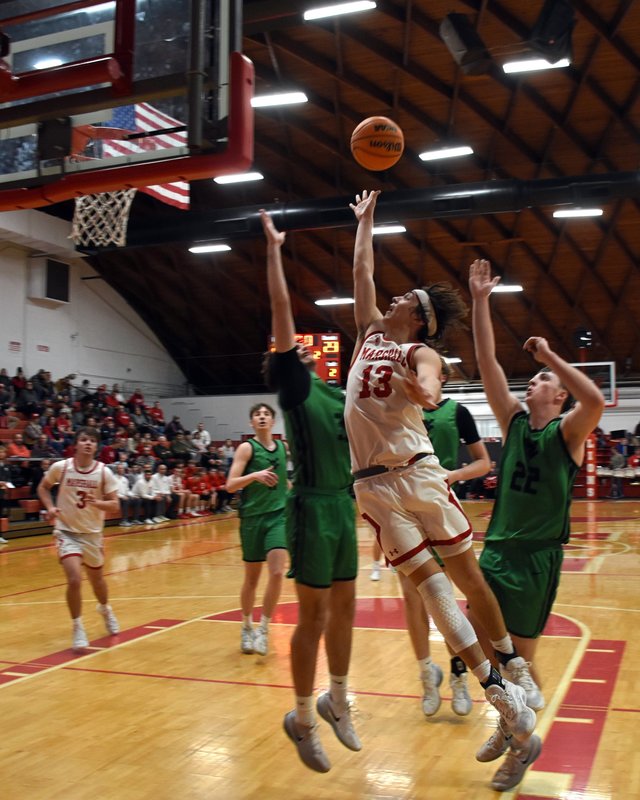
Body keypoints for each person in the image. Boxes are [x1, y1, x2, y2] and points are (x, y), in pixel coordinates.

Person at [345, 190, 540, 789]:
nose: (396, 296)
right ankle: (501, 695)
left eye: (408, 299)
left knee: (466, 578)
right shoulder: (370, 332)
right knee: (433, 595)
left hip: (419, 474)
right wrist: (367, 220)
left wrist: (425, 392)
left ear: (421, 318)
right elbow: (361, 271)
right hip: (372, 490)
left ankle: (511, 663)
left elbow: (431, 386)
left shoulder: (419, 349)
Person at [468, 258, 605, 788]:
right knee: (483, 655)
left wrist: (550, 354)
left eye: (545, 379)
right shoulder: (515, 422)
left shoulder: (568, 435)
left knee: (516, 662)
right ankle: (512, 722)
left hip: (534, 561)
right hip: (496, 552)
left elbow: (594, 398)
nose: (536, 379)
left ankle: (522, 744)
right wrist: (481, 301)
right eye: (538, 374)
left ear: (559, 396)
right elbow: (486, 364)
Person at [260, 209, 360, 774]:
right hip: (312, 508)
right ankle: (301, 718)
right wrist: (275, 250)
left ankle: (338, 700)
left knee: (346, 610)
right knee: (315, 618)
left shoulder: (333, 392)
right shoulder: (296, 389)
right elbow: (280, 312)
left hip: (343, 506)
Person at [397, 356, 492, 718]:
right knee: (412, 599)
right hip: (403, 512)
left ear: (443, 377)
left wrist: (454, 475)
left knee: (447, 602)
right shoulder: (397, 409)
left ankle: (457, 677)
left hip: (440, 509)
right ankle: (426, 674)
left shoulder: (458, 412)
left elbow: (483, 463)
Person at [37, 427, 121, 651]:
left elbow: (115, 505)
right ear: (76, 444)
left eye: (92, 441)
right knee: (74, 579)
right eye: (84, 439)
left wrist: (97, 503)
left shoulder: (104, 472)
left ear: (96, 447)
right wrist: (50, 507)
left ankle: (105, 608)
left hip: (92, 533)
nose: (88, 443)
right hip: (66, 531)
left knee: (97, 582)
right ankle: (78, 626)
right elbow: (43, 488)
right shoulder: (61, 467)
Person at [226, 402, 288, 658]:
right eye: (257, 415)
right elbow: (230, 485)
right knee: (251, 579)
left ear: (273, 422)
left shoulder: (284, 447)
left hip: (278, 516)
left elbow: (286, 481)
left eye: (266, 414)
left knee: (276, 572)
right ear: (252, 422)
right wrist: (255, 476)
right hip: (252, 518)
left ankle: (264, 628)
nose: (262, 417)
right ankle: (246, 625)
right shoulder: (247, 448)